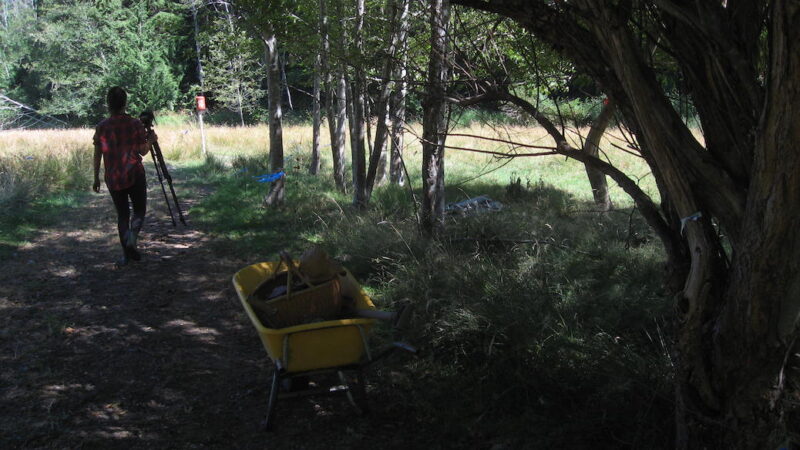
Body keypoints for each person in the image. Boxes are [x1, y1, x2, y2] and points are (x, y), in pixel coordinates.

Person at [92, 86, 156, 266]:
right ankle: (132, 239)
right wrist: (150, 140)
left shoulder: (102, 127)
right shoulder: (135, 124)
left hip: (113, 176)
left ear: (108, 104)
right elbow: (142, 151)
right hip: (134, 173)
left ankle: (125, 255)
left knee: (122, 215)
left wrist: (96, 177)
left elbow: (98, 154)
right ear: (125, 103)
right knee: (139, 210)